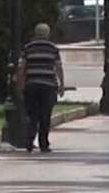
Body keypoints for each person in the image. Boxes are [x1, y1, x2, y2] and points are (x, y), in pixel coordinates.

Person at [18, 23, 64, 153]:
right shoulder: (53, 48)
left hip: (31, 85)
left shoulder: (28, 47)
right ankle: (44, 144)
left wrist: (21, 84)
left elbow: (22, 67)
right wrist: (62, 84)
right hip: (48, 85)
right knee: (45, 116)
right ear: (47, 34)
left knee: (32, 115)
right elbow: (58, 67)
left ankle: (29, 141)